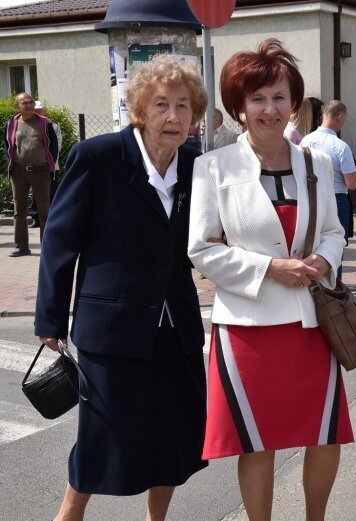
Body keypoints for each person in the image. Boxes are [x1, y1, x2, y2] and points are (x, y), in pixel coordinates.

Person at [34, 54, 209, 521]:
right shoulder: (98, 157)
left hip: (177, 327)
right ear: (139, 108)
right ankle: (69, 515)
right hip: (111, 327)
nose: (173, 117)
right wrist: (50, 316)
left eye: (184, 106)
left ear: (195, 114)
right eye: (161, 105)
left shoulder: (198, 165)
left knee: (175, 435)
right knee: (102, 434)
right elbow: (59, 240)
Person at [188, 39, 353, 521]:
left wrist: (323, 261)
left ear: (294, 102)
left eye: (279, 97)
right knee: (256, 442)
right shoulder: (213, 168)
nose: (269, 108)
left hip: (310, 324)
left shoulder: (316, 164)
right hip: (246, 328)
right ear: (238, 107)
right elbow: (201, 250)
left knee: (325, 432)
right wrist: (268, 269)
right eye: (257, 98)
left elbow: (334, 231)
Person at [300, 100, 356, 279]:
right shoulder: (340, 146)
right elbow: (352, 184)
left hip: (309, 197)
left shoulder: (305, 141)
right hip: (336, 199)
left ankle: (311, 288)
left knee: (310, 244)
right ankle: (333, 291)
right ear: (340, 118)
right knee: (333, 247)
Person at [2, 92, 59, 257]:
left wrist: (49, 166)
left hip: (41, 171)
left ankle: (47, 247)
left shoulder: (45, 124)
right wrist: (13, 164)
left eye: (30, 102)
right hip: (18, 171)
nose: (28, 105)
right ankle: (21, 246)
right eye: (24, 103)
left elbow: (53, 147)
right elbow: (8, 145)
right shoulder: (11, 124)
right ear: (17, 106)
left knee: (44, 211)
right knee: (19, 211)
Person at [29, 100, 62, 228]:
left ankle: (52, 217)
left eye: (39, 110)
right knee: (35, 193)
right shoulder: (29, 125)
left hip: (50, 165)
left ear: (44, 110)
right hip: (33, 165)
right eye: (35, 110)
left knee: (51, 191)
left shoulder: (53, 126)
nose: (37, 112)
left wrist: (50, 162)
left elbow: (56, 146)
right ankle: (36, 218)